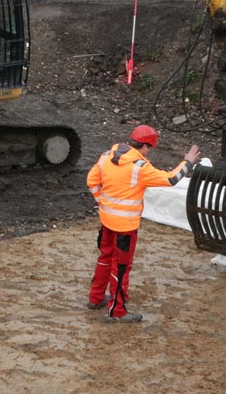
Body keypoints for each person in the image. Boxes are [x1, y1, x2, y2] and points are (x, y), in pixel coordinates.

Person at [86, 125, 201, 321]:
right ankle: (117, 312)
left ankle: (95, 298)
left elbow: (92, 181)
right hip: (125, 227)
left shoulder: (106, 156)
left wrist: (102, 203)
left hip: (106, 221)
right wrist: (188, 162)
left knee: (105, 257)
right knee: (120, 268)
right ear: (146, 146)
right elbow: (171, 179)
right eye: (150, 148)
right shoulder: (140, 168)